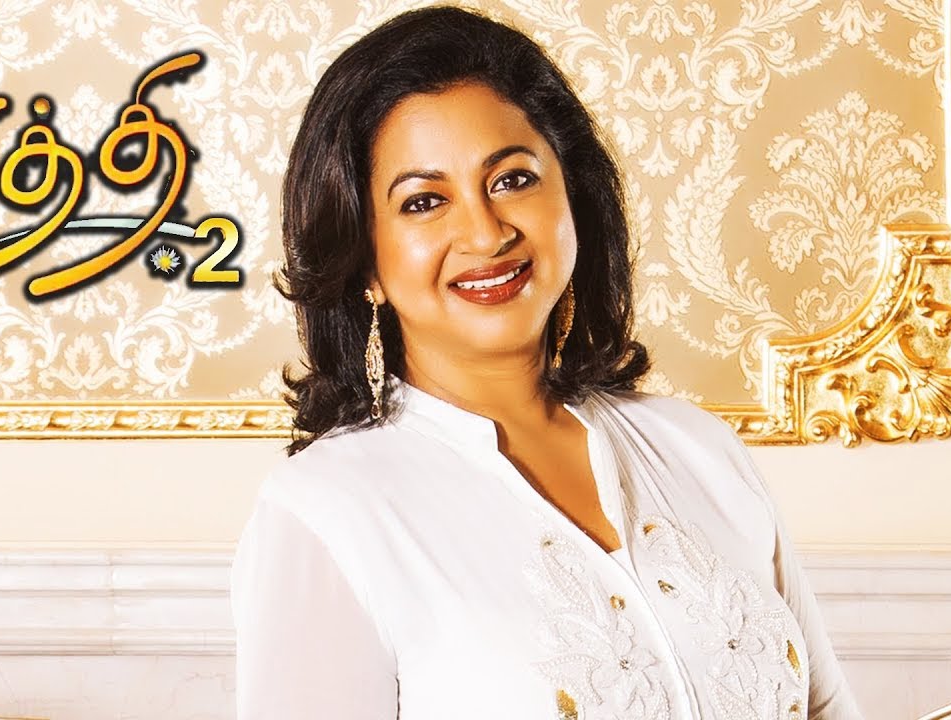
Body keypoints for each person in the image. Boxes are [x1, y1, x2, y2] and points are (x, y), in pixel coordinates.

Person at [231, 5, 865, 719]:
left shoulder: (698, 448)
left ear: (572, 196)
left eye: (512, 180)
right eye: (425, 201)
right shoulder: (325, 513)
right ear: (365, 261)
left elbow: (826, 708)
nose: (485, 232)